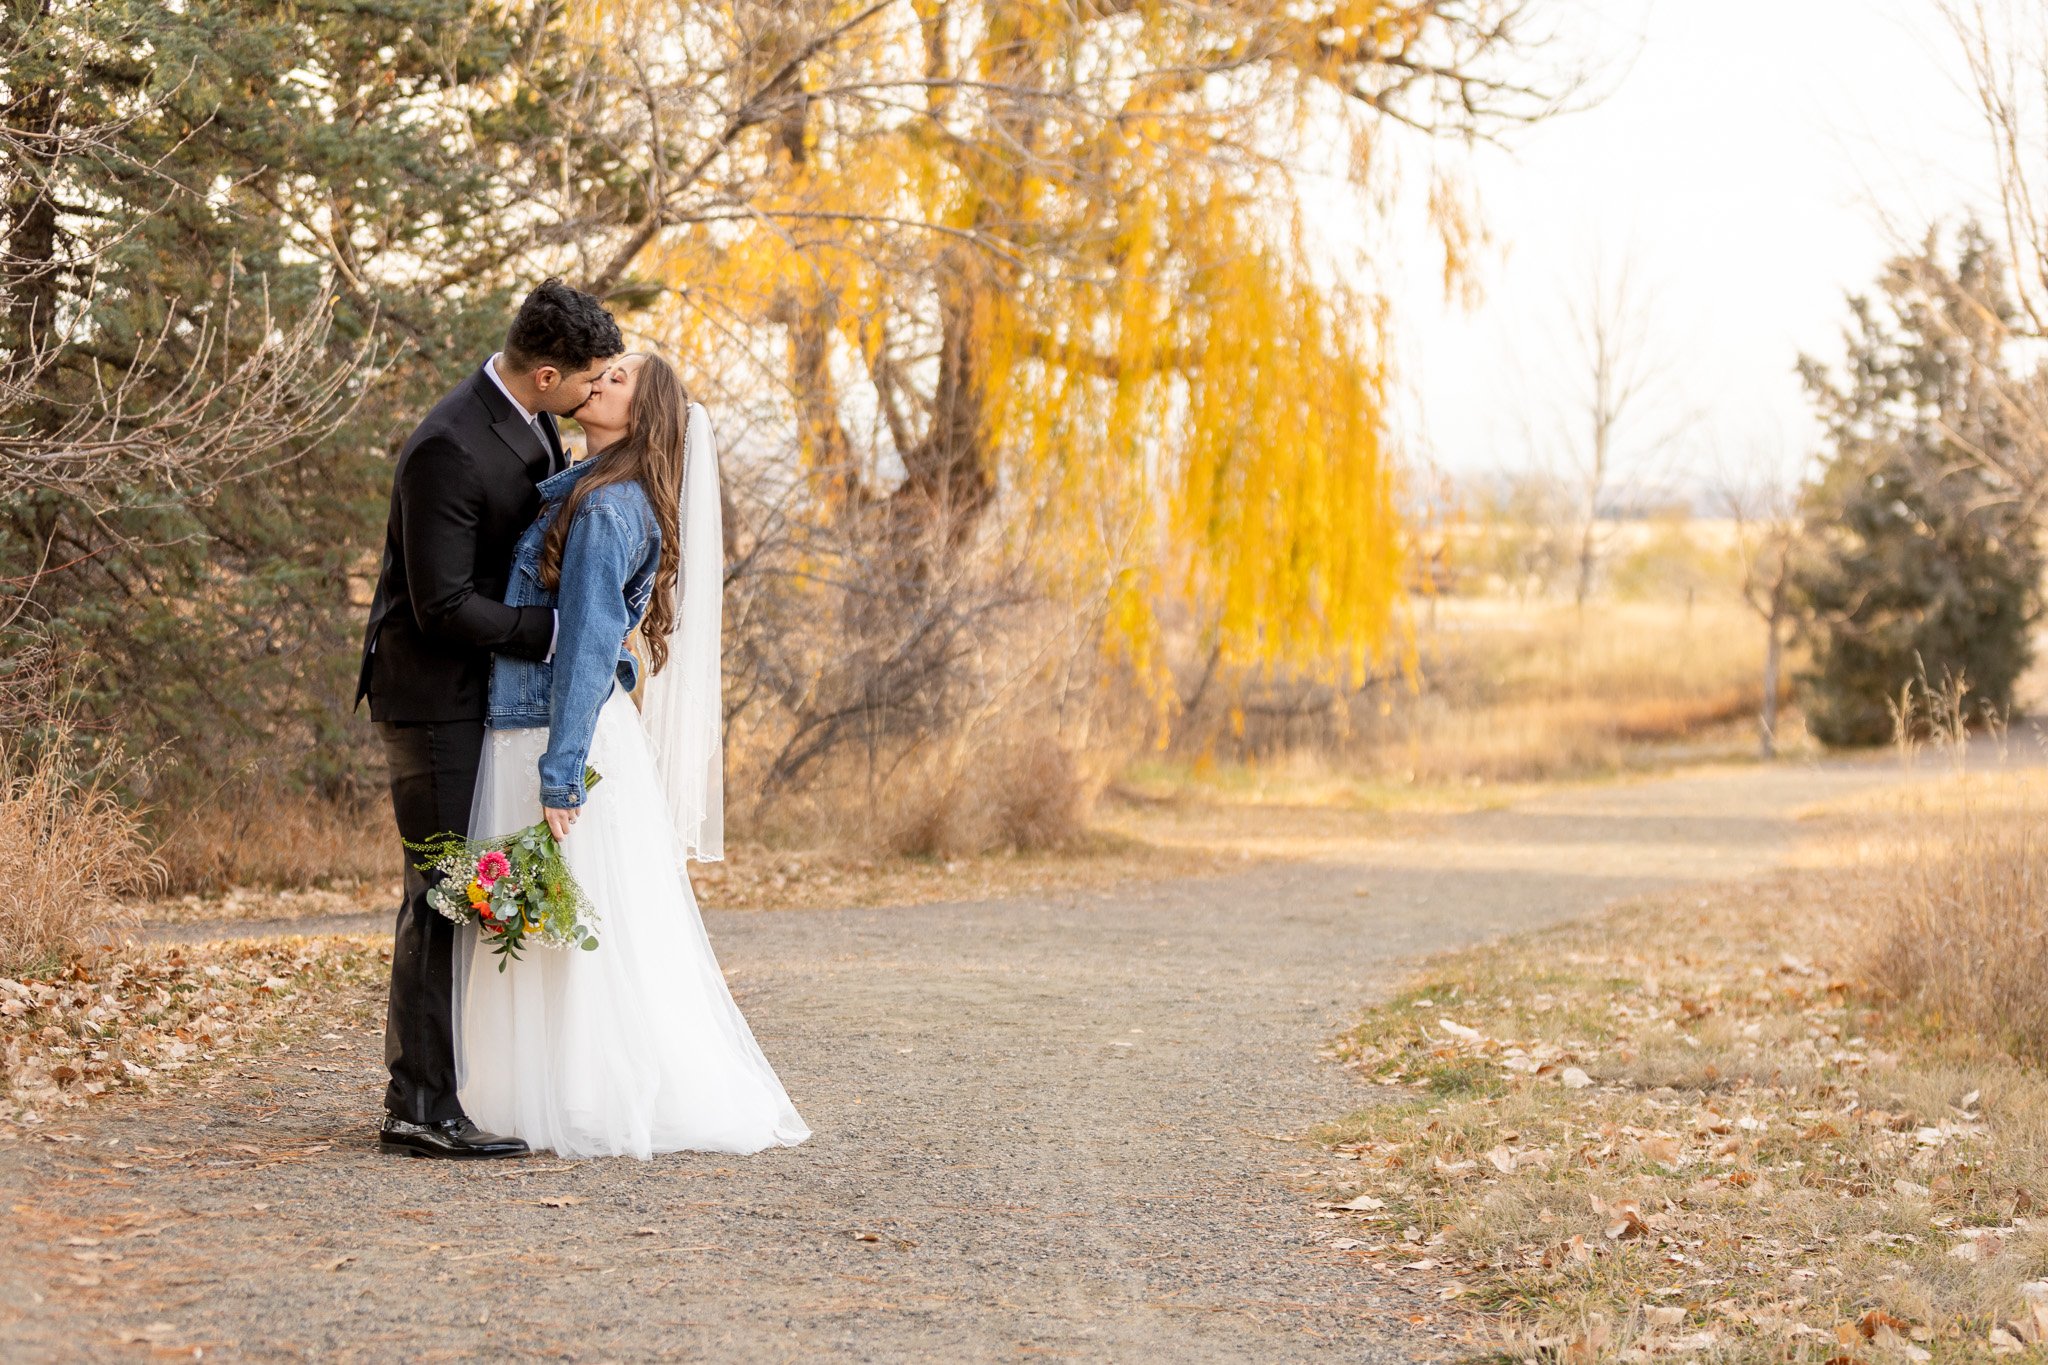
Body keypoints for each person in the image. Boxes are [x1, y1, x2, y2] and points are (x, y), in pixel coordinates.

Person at [456, 352, 810, 1159]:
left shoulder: (610, 507)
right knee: (568, 917)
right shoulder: (588, 486)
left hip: (559, 732)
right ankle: (546, 1089)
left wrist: (560, 769)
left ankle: (583, 1095)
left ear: (642, 417)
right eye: (602, 371)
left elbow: (583, 649)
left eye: (617, 380)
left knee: (574, 917)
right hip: (553, 726)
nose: (597, 381)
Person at [356, 280, 623, 1159]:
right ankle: (417, 1105)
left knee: (466, 887)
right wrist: (550, 632)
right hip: (429, 692)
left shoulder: (531, 416)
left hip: (480, 696)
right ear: (546, 374)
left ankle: (451, 1084)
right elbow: (439, 604)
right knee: (436, 891)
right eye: (588, 382)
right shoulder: (448, 446)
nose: (594, 395)